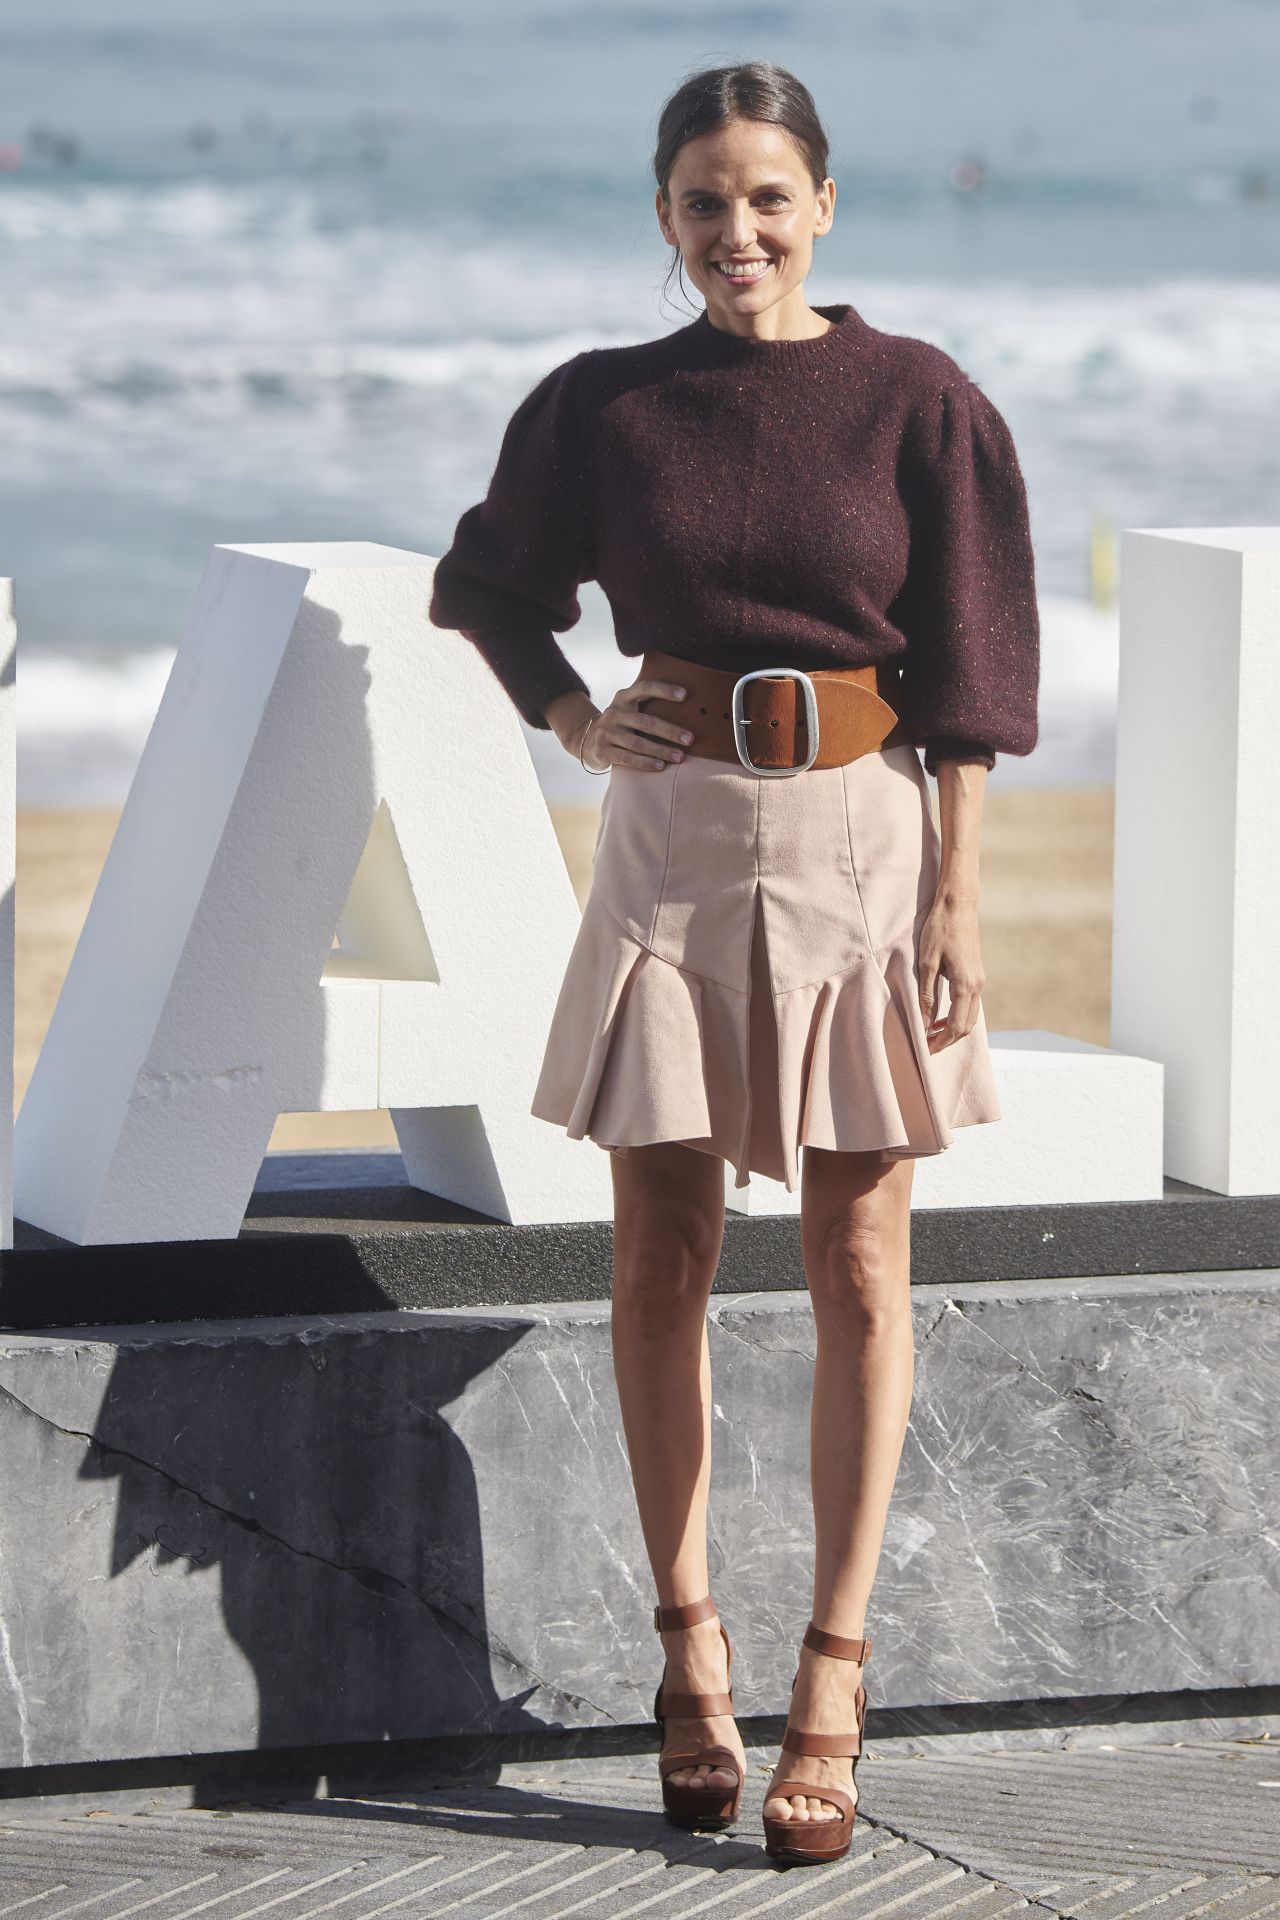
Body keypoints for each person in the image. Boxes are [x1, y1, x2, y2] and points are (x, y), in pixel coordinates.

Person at [429, 59, 1039, 1868]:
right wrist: (562, 713)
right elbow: (487, 582)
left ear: (825, 207)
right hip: (671, 838)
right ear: (666, 215)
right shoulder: (604, 408)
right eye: (702, 200)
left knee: (859, 1253)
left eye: (768, 198)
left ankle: (833, 1679)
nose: (737, 233)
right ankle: (689, 1652)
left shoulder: (920, 401)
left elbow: (975, 670)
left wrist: (956, 898)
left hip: (868, 840)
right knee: (660, 1250)